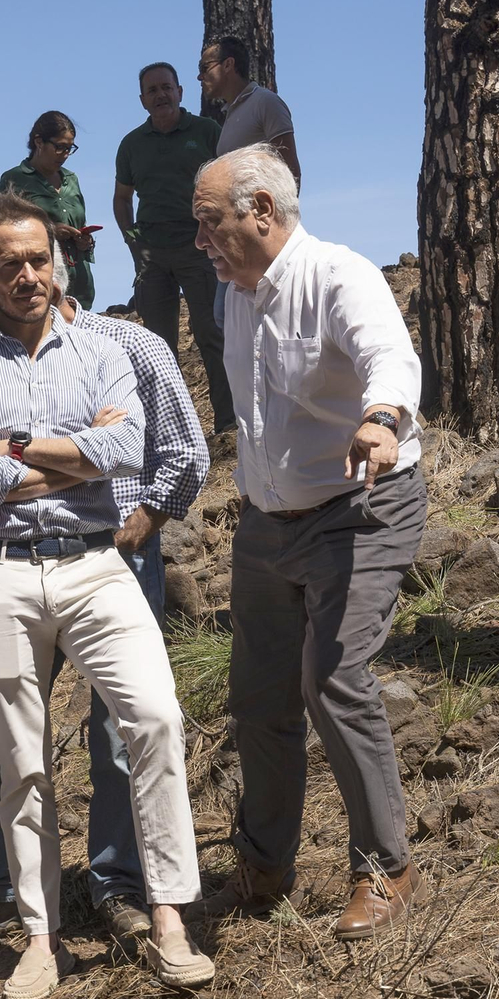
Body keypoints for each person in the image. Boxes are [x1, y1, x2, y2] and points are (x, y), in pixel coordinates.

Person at [0, 191, 214, 999]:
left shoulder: (104, 350)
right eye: (9, 263)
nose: (28, 275)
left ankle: (167, 914)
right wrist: (74, 456)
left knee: (154, 717)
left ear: (60, 263)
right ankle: (40, 935)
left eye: (39, 260)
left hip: (95, 561)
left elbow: (127, 447)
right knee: (21, 757)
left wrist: (12, 446)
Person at [192, 144, 427, 940]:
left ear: (263, 212)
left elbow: (389, 356)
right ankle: (265, 863)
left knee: (333, 677)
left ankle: (385, 865)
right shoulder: (235, 295)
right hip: (265, 525)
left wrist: (382, 417)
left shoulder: (338, 274)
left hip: (357, 506)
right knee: (259, 697)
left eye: (211, 222)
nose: (203, 242)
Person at [114, 63, 232, 432]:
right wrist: (132, 239)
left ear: (180, 91)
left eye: (166, 87)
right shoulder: (132, 144)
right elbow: (122, 197)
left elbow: (229, 182)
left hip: (199, 246)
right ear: (142, 100)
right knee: (157, 346)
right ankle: (172, 429)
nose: (160, 95)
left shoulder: (207, 131)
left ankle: (228, 425)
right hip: (152, 251)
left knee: (212, 333)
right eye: (152, 90)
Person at [0, 111, 97, 310]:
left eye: (70, 148)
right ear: (39, 142)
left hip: (80, 288)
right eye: (60, 147)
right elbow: (0, 235)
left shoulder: (71, 179)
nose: (65, 155)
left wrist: (85, 241)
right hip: (38, 288)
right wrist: (49, 232)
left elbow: (80, 221)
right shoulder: (14, 180)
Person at [197, 35, 301, 179]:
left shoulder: (266, 102)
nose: (199, 77)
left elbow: (292, 173)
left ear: (228, 64)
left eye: (204, 68)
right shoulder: (231, 113)